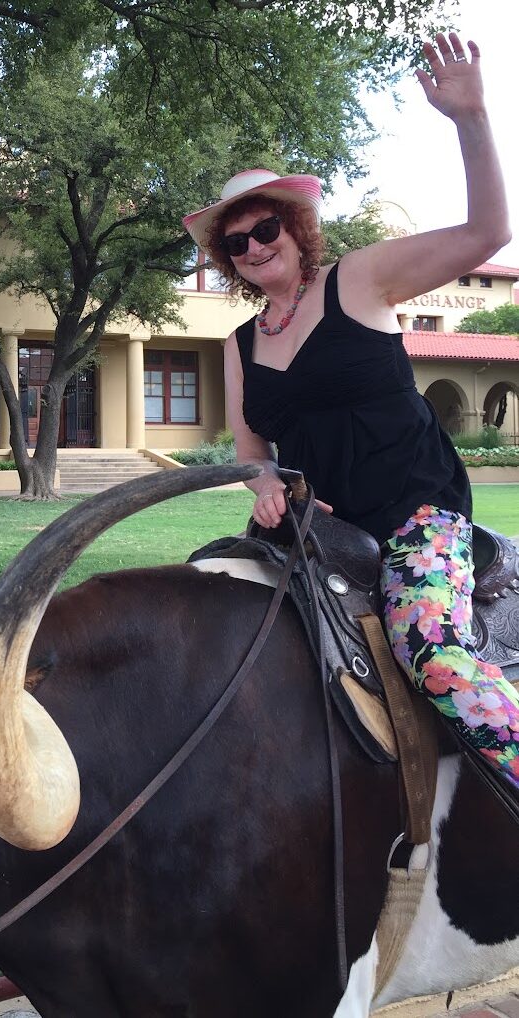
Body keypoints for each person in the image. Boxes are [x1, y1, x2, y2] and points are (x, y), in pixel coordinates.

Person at [182, 32, 519, 795]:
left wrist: (470, 118)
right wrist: (264, 486)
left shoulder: (359, 281)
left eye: (265, 228)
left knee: (432, 653)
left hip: (414, 511)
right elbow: (250, 447)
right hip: (321, 529)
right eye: (236, 243)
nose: (252, 246)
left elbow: (486, 234)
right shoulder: (240, 342)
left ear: (295, 229)